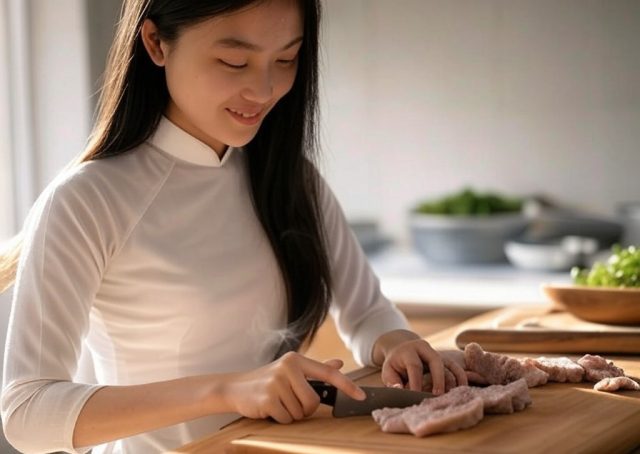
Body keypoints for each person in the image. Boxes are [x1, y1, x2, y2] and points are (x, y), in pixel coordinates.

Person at [0, 0, 467, 452]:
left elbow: (367, 315)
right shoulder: (87, 200)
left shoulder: (289, 177)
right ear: (156, 43)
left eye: (286, 59)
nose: (264, 89)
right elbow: (27, 414)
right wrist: (227, 390)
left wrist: (399, 343)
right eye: (234, 61)